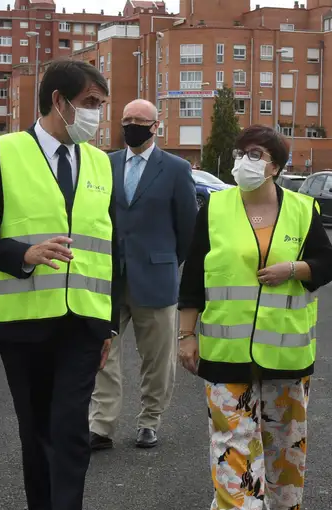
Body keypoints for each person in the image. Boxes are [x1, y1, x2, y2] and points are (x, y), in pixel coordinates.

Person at [0, 59, 119, 510]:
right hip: (22, 321)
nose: (98, 114)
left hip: (82, 322)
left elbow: (110, 248)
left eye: (101, 105)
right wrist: (23, 256)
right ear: (60, 101)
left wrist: (109, 323)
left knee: (71, 427)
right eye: (92, 103)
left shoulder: (99, 163)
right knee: (37, 428)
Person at [178, 125, 332, 510]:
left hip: (285, 349)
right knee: (232, 438)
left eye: (255, 154)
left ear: (276, 167)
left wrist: (295, 267)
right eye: (239, 152)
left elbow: (327, 264)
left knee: (284, 436)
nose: (243, 161)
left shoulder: (304, 209)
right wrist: (186, 335)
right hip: (225, 349)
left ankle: (281, 504)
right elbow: (194, 276)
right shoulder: (214, 207)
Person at [88, 99, 197, 450]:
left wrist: (164, 260)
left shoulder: (177, 169)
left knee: (157, 358)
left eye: (139, 120)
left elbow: (187, 229)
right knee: (104, 353)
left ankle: (150, 420)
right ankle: (101, 425)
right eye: (126, 119)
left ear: (155, 126)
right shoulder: (105, 164)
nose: (132, 125)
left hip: (156, 276)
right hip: (110, 277)